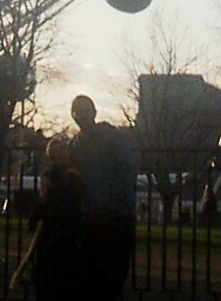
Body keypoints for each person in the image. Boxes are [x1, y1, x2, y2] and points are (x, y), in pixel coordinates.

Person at [68, 94, 136, 301]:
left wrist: (114, 201)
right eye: (77, 110)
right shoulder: (74, 145)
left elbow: (128, 169)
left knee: (112, 276)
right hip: (90, 219)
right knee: (92, 277)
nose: (81, 114)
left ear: (94, 112)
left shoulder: (112, 137)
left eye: (85, 109)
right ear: (73, 115)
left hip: (116, 216)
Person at [19, 138, 84, 300]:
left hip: (54, 229)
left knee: (49, 275)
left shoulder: (50, 175)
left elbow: (45, 199)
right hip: (66, 228)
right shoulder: (73, 176)